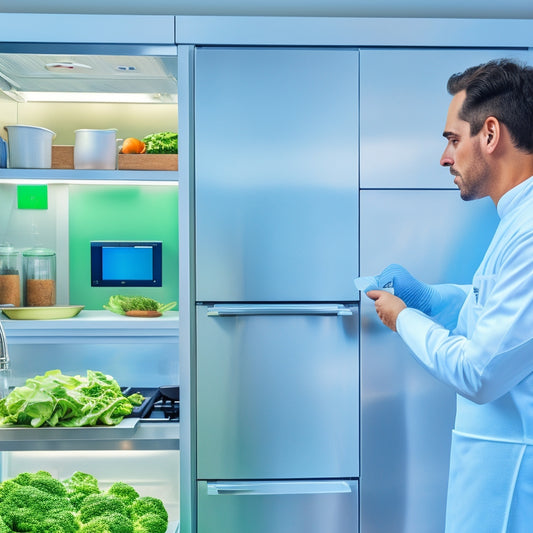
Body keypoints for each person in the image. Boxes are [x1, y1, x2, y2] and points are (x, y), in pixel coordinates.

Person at [365, 58, 533, 533]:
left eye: (453, 140)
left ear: (492, 134)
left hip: (511, 479)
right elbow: (502, 311)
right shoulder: (516, 220)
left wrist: (404, 318)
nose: (445, 158)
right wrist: (433, 299)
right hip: (493, 464)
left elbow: (479, 371)